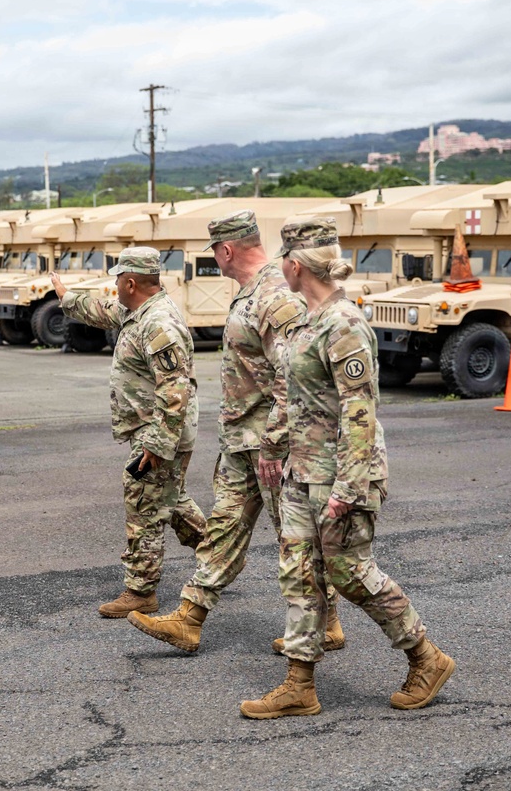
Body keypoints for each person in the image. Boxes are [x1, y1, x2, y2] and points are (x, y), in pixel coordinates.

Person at [240, 218, 455, 719]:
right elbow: (297, 397)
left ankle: (426, 657)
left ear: (296, 266)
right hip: (302, 471)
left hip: (341, 474)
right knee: (299, 574)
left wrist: (350, 487)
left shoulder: (345, 324)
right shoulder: (307, 320)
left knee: (351, 572)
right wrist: (274, 447)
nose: (280, 267)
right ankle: (299, 684)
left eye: (283, 260)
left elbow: (361, 411)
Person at [125, 210, 345, 654]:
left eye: (215, 252)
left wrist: (275, 443)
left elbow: (294, 376)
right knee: (223, 529)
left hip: (275, 447)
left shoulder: (275, 295)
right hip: (242, 443)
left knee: (296, 540)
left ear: (226, 250)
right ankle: (189, 617)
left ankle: (326, 623)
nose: (215, 259)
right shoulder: (252, 291)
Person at [51, 247, 206, 618]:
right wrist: (66, 296)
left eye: (118, 279)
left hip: (160, 432)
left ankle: (141, 590)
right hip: (154, 429)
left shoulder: (159, 323)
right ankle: (219, 556)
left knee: (143, 504)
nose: (115, 286)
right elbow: (103, 311)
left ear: (131, 282)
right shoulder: (137, 311)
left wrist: (157, 443)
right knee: (170, 499)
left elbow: (175, 388)